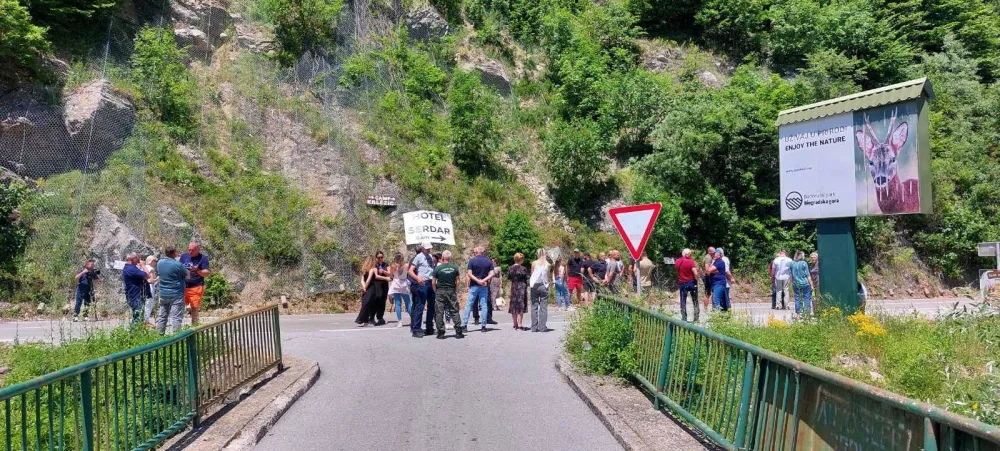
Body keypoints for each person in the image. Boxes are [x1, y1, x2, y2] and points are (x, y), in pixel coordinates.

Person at [156, 246, 189, 334]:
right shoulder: (178, 264)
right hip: (176, 294)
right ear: (174, 253)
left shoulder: (159, 263)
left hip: (163, 293)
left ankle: (159, 337)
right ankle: (176, 339)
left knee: (162, 317)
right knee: (176, 318)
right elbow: (187, 275)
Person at [432, 251, 464, 339]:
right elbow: (458, 280)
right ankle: (458, 331)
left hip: (440, 291)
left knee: (439, 312)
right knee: (454, 310)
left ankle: (441, 333)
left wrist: (435, 291)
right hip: (451, 290)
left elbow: (433, 282)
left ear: (442, 258)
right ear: (449, 258)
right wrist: (456, 290)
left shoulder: (438, 268)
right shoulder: (454, 267)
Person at [462, 246, 493, 333]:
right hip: (484, 285)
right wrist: (483, 280)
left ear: (476, 252)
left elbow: (469, 274)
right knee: (484, 305)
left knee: (469, 305)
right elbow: (492, 273)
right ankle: (483, 326)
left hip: (474, 285)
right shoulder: (488, 261)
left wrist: (477, 280)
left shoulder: (472, 260)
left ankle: (464, 325)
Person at [408, 242, 435, 338]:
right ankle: (416, 329)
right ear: (422, 248)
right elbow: (410, 271)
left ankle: (429, 327)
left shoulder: (431, 256)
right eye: (427, 248)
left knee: (432, 306)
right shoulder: (418, 257)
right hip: (422, 283)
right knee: (420, 306)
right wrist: (417, 278)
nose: (428, 250)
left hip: (431, 282)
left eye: (429, 248)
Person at [179, 242, 210, 326]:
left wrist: (196, 270)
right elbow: (178, 268)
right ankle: (178, 329)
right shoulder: (184, 256)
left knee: (194, 308)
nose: (190, 252)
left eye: (192, 250)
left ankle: (194, 328)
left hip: (196, 286)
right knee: (179, 307)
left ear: (198, 250)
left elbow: (206, 273)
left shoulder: (203, 258)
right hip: (183, 286)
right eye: (189, 250)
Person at [122, 253, 149, 325]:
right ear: (132, 259)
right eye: (137, 258)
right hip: (135, 296)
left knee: (138, 316)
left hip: (134, 295)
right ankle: (134, 334)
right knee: (138, 317)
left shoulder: (130, 268)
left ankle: (136, 333)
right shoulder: (131, 269)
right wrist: (143, 265)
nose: (139, 260)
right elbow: (147, 275)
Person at [472, 255, 499, 326]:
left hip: (485, 284)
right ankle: (476, 318)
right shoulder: (473, 262)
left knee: (488, 301)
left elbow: (491, 272)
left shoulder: (487, 263)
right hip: (476, 284)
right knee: (475, 301)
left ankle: (489, 318)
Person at [529, 248, 550, 332]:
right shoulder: (547, 264)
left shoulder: (534, 263)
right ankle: (542, 327)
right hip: (543, 285)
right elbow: (547, 276)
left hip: (534, 285)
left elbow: (532, 274)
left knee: (534, 306)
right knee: (543, 307)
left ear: (537, 254)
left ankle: (534, 327)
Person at [355, 256, 380, 327]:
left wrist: (364, 288)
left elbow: (367, 280)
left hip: (370, 288)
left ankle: (363, 320)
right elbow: (363, 280)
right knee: (365, 304)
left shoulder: (370, 270)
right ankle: (364, 320)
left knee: (367, 304)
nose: (375, 262)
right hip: (369, 288)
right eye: (374, 261)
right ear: (371, 261)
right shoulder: (367, 270)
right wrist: (364, 288)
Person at [388, 253, 411, 328]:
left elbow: (391, 275)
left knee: (397, 304)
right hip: (404, 283)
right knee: (408, 303)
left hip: (396, 284)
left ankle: (400, 321)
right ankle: (413, 319)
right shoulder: (407, 265)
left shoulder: (393, 266)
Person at [507, 253, 529, 330]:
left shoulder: (510, 268)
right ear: (521, 260)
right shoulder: (523, 268)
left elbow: (509, 278)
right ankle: (520, 324)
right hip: (521, 288)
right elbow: (527, 277)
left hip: (514, 287)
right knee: (521, 306)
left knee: (514, 305)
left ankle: (515, 324)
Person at [790, 251, 815, 318]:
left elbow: (791, 275)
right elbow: (808, 275)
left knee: (797, 299)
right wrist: (811, 284)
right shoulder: (804, 263)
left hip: (796, 284)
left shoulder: (792, 264)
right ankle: (808, 314)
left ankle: (798, 315)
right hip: (805, 283)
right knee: (807, 298)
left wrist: (793, 283)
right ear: (802, 256)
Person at [676, 249, 699, 322]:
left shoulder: (678, 261)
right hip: (691, 282)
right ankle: (696, 317)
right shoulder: (691, 261)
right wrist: (697, 279)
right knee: (695, 299)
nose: (691, 255)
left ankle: (684, 317)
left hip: (682, 283)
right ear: (686, 254)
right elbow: (695, 272)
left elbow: (677, 269)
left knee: (683, 300)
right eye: (690, 254)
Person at [373, 251, 390, 325]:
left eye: (381, 257)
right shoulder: (375, 265)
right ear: (376, 258)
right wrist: (385, 278)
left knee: (383, 300)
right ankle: (374, 316)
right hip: (377, 284)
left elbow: (390, 274)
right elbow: (376, 276)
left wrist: (383, 271)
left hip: (384, 284)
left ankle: (380, 317)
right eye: (378, 257)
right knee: (377, 299)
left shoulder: (386, 264)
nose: (380, 259)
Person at [142, 255, 159, 326]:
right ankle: (146, 321)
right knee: (149, 304)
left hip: (144, 286)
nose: (156, 263)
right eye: (155, 261)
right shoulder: (151, 269)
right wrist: (159, 278)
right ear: (151, 261)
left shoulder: (144, 267)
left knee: (145, 303)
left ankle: (144, 320)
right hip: (150, 287)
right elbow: (152, 280)